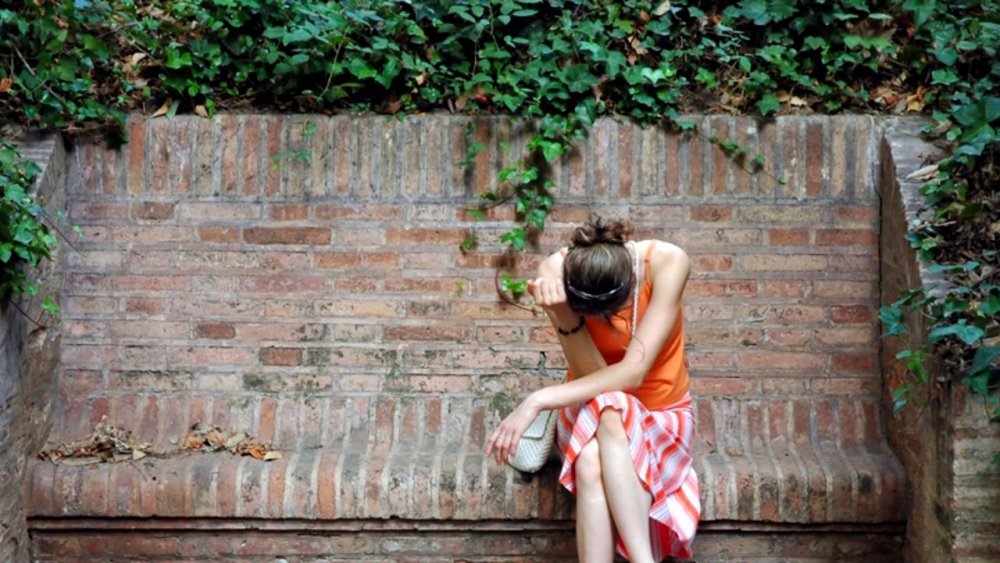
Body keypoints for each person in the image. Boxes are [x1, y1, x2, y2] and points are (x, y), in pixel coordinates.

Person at [486, 216, 700, 563]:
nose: (605, 323)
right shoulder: (553, 272)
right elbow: (598, 379)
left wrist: (537, 400)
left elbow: (632, 374)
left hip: (663, 416)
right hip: (588, 413)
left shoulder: (668, 263)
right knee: (611, 407)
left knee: (591, 457)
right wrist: (564, 315)